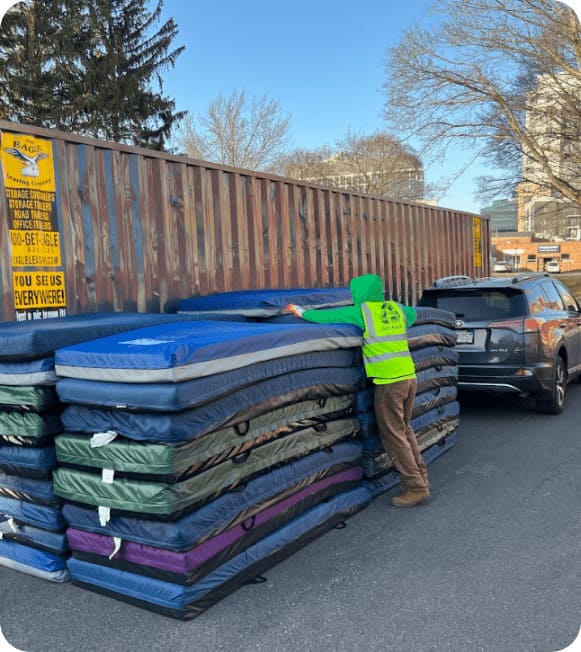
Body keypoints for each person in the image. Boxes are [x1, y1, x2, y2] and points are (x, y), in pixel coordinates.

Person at [284, 273, 430, 508]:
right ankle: (421, 477)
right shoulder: (397, 309)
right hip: (409, 377)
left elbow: (329, 317)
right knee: (405, 428)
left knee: (393, 435)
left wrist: (301, 312)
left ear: (360, 294)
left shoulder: (363, 312)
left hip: (389, 382)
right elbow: (413, 315)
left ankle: (415, 487)